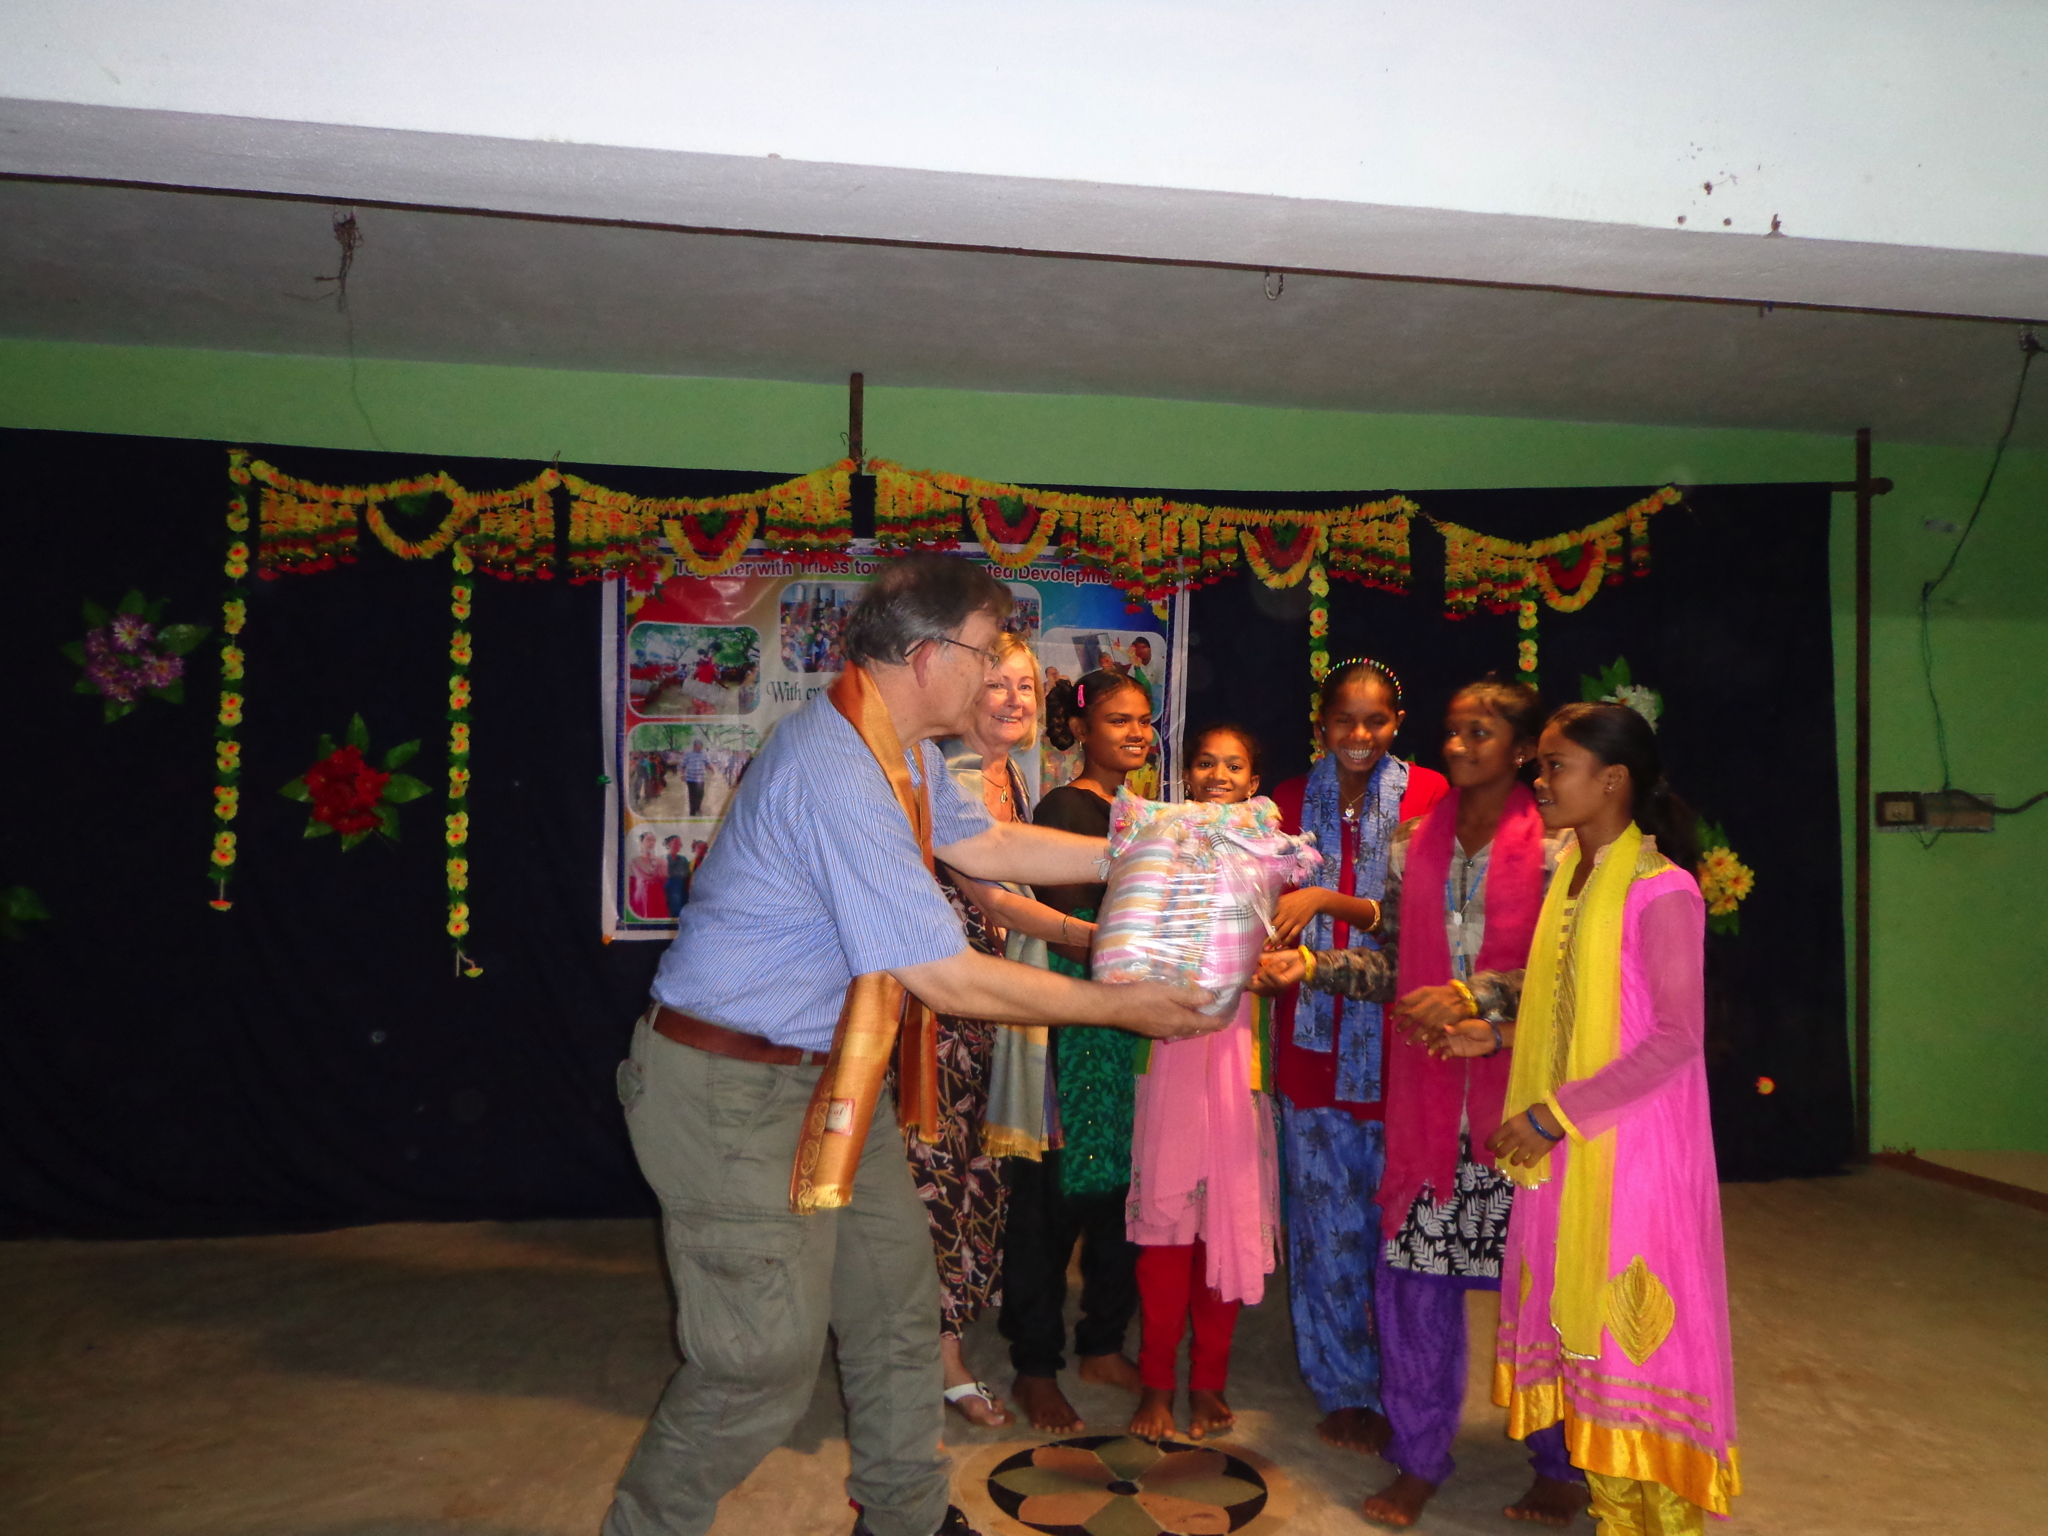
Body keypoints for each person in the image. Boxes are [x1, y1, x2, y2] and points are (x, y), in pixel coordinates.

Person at [602, 555, 1221, 1536]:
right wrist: (1122, 1005)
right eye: (984, 652)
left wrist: (1156, 845)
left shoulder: (899, 751)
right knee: (755, 1364)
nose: (996, 673)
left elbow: (988, 847)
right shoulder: (838, 768)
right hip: (729, 1089)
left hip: (831, 1079)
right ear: (931, 657)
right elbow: (943, 975)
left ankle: (906, 1518)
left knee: (898, 1310)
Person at [1257, 680, 1585, 1528]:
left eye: (1483, 732)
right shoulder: (1415, 843)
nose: (1460, 745)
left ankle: (1560, 1462)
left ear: (1523, 751)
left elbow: (1574, 980)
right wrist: (1315, 968)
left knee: (1542, 1292)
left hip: (1524, 1108)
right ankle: (1419, 1455)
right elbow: (1400, 966)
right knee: (1414, 1285)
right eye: (1454, 730)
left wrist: (1477, 1000)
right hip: (1430, 1105)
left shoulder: (1560, 848)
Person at [1435, 702, 1739, 1536]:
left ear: (1613, 781)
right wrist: (1499, 1037)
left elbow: (1674, 1038)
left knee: (1634, 1359)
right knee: (1588, 1364)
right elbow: (1581, 1018)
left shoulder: (1660, 889)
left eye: (1555, 765)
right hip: (1571, 1148)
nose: (1539, 780)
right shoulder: (1574, 874)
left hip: (1632, 1154)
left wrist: (1551, 1114)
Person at [1265, 658, 1449, 1454]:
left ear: (1398, 722)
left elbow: (1425, 916)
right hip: (1308, 1042)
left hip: (1401, 1047)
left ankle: (1405, 1385)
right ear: (1321, 725)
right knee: (1322, 1226)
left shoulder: (1431, 797)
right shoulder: (1283, 802)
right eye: (1344, 719)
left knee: (1397, 1230)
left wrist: (1330, 901)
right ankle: (1342, 1385)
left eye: (1376, 719)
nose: (1360, 734)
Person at [914, 632, 1093, 1429]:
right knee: (938, 1180)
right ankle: (939, 1355)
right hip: (939, 1012)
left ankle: (944, 1331)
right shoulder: (945, 772)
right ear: (965, 695)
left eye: (1026, 686)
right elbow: (996, 901)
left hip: (996, 1014)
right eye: (998, 684)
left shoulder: (1012, 777)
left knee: (983, 1180)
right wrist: (1097, 938)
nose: (1016, 700)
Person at [998, 668, 1155, 1433]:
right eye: (1120, 720)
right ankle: (1035, 1365)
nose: (1136, 733)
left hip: (1127, 1023)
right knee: (1051, 1199)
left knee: (1121, 1194)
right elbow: (1071, 926)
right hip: (1070, 1026)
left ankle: (1101, 1343)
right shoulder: (1065, 808)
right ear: (1084, 730)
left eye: (1144, 720)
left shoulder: (1143, 816)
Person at [1126, 724, 1282, 1444]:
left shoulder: (1272, 853)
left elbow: (1279, 956)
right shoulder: (1161, 842)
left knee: (1227, 1223)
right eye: (1206, 763)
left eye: (1235, 765)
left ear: (1254, 782)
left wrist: (1268, 964)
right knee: (1165, 1238)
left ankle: (1210, 1381)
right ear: (1186, 776)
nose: (1220, 775)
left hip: (1237, 1063)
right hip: (1170, 1055)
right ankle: (1157, 1383)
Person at [628, 830, 668, 919]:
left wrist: (660, 868)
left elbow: (665, 880)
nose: (652, 843)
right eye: (649, 840)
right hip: (641, 897)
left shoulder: (661, 861)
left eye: (653, 840)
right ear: (640, 843)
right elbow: (631, 884)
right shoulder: (634, 862)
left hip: (656, 894)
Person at [662, 835, 692, 918]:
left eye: (679, 843)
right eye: (675, 843)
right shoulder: (663, 859)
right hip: (670, 887)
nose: (677, 845)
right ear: (668, 844)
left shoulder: (683, 859)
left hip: (683, 887)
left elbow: (688, 874)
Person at [681, 740, 710, 817]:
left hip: (701, 779)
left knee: (700, 794)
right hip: (690, 778)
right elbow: (683, 765)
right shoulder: (688, 755)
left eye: (701, 746)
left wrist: (713, 771)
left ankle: (697, 807)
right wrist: (682, 775)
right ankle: (692, 811)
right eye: (699, 746)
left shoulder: (704, 755)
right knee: (692, 795)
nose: (701, 747)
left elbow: (708, 763)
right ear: (695, 746)